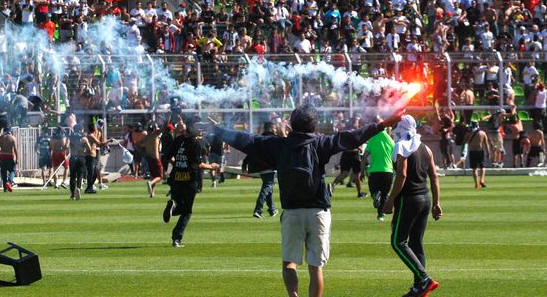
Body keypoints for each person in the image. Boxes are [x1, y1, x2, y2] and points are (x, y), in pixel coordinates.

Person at [202, 104, 404, 297]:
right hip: (318, 212)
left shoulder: (278, 145)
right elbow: (353, 137)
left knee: (289, 263)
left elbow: (246, 140)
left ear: (291, 124)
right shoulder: (320, 143)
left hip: (292, 212)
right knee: (316, 268)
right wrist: (383, 124)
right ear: (314, 125)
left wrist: (218, 129)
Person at [383, 115, 442, 297]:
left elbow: (401, 175)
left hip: (409, 199)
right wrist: (437, 203)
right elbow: (434, 176)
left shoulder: (402, 147)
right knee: (416, 243)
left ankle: (424, 279)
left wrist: (390, 199)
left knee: (397, 241)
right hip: (425, 198)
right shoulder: (425, 147)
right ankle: (419, 287)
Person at [162, 115, 219, 247]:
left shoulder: (178, 139)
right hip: (190, 179)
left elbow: (167, 156)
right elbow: (198, 164)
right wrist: (211, 166)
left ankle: (173, 205)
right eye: (199, 126)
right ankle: (176, 239)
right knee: (187, 211)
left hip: (176, 177)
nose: (201, 129)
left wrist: (177, 164)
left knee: (178, 205)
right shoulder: (196, 142)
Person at [363, 120, 395, 221]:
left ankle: (375, 194)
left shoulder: (372, 139)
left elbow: (364, 157)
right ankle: (380, 215)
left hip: (374, 171)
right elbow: (395, 158)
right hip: (388, 171)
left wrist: (362, 170)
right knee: (385, 195)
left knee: (373, 190)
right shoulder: (391, 141)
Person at [249, 121, 279, 219]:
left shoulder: (259, 139)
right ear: (270, 128)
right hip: (270, 167)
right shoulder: (274, 139)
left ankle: (272, 209)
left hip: (261, 167)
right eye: (274, 128)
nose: (276, 130)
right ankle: (258, 210)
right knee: (267, 187)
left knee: (268, 187)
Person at [331, 118, 367, 198]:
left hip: (345, 154)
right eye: (357, 122)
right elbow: (358, 141)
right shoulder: (356, 132)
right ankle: (359, 193)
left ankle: (332, 185)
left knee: (344, 173)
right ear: (354, 123)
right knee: (357, 174)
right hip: (354, 155)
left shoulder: (345, 132)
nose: (358, 123)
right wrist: (358, 149)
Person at [68, 124, 92, 200]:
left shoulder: (71, 138)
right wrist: (85, 150)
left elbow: (66, 146)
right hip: (81, 158)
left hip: (73, 158)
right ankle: (78, 188)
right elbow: (90, 148)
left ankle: (72, 194)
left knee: (72, 177)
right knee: (80, 176)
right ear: (80, 130)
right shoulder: (84, 138)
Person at [142, 122, 164, 197]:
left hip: (149, 158)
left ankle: (152, 193)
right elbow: (162, 128)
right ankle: (150, 184)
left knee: (153, 175)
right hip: (156, 158)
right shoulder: (155, 135)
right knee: (160, 176)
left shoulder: (146, 137)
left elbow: (139, 144)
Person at [466, 121, 490, 189]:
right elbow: (486, 144)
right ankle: (482, 179)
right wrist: (488, 152)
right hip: (480, 151)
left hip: (472, 151)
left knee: (474, 168)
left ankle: (476, 184)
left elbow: (465, 141)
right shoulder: (483, 133)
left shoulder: (469, 133)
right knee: (482, 167)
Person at [0, 127, 18, 192]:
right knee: (12, 171)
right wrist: (17, 158)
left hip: (2, 156)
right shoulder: (13, 138)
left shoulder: (0, 138)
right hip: (10, 156)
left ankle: (5, 189)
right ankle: (9, 182)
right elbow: (15, 150)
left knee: (3, 173)